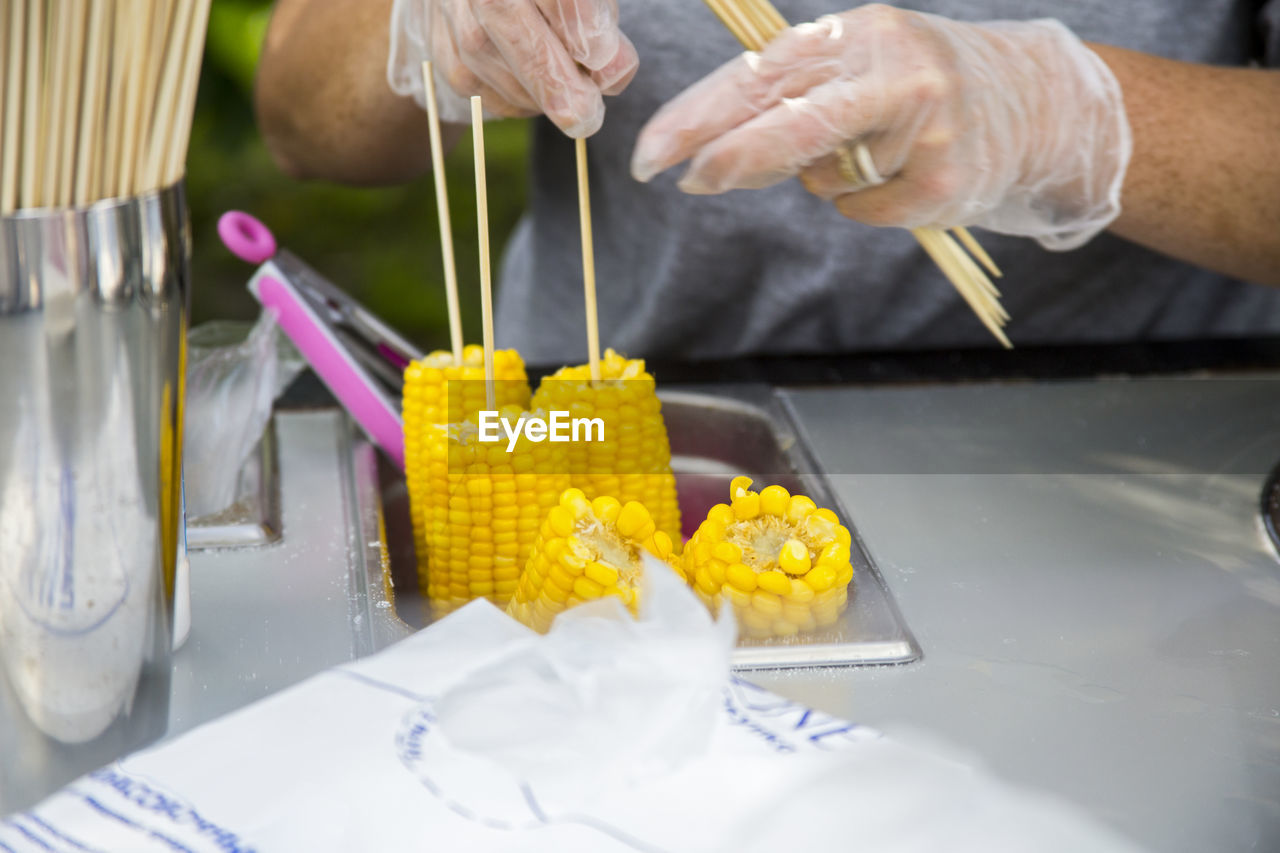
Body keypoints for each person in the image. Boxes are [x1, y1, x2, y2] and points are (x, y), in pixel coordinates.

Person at [255, 1, 1280, 364]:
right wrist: (411, 23)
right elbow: (299, 120)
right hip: (612, 412)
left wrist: (1070, 115)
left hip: (1130, 429)